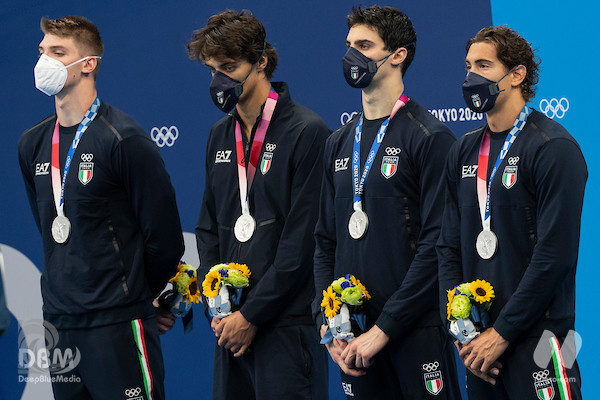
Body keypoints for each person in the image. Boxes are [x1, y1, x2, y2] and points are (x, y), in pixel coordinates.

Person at [17, 16, 184, 400]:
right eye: (42, 52)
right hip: (60, 325)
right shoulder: (31, 145)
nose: (45, 62)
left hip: (117, 322)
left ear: (88, 63)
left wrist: (137, 296)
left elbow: (165, 239)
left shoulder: (123, 139)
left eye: (59, 53)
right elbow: (53, 230)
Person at [313, 6, 461, 399]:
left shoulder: (429, 137)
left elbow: (437, 246)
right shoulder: (337, 142)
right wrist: (328, 325)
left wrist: (385, 329)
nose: (352, 57)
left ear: (398, 55)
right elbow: (325, 241)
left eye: (364, 46)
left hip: (415, 331)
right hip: (354, 336)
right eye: (349, 46)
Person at [437, 26, 586, 399]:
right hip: (481, 348)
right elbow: (448, 246)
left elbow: (554, 257)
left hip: (544, 339)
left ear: (517, 74)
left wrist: (502, 333)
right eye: (468, 66)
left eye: (484, 65)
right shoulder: (463, 151)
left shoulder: (553, 148)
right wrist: (462, 328)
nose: (471, 77)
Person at [187, 10, 330, 400]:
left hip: (285, 325)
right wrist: (219, 308)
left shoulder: (307, 131)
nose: (219, 81)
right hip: (230, 330)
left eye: (229, 67)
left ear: (261, 62)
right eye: (212, 69)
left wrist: (251, 315)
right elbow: (208, 227)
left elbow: (302, 244)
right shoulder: (219, 135)